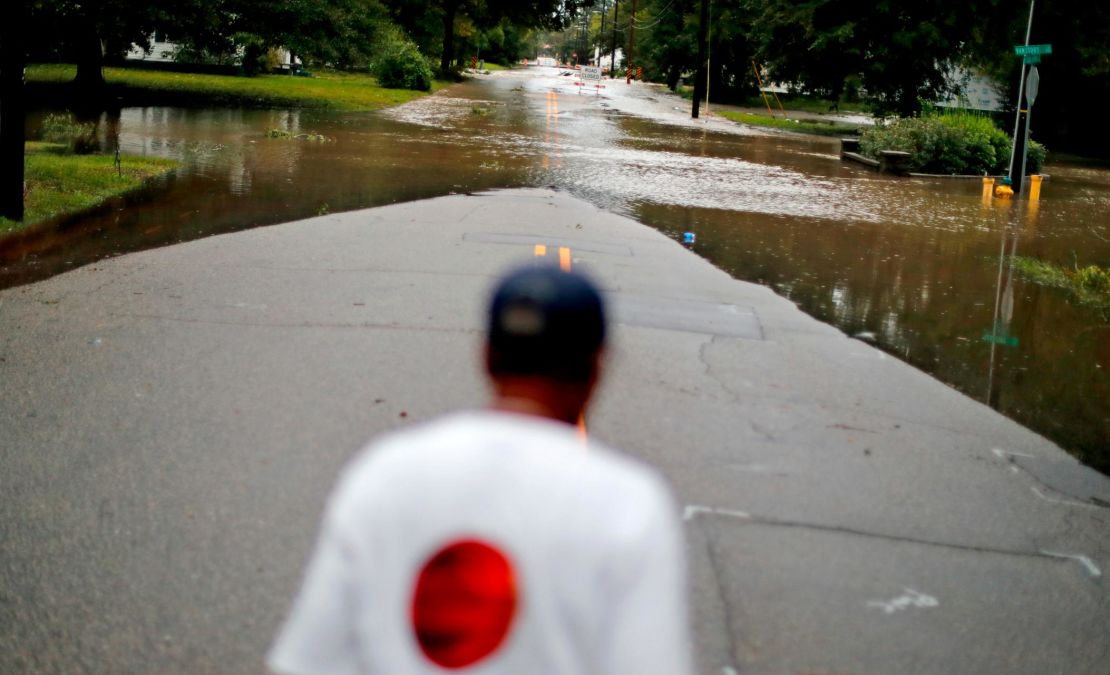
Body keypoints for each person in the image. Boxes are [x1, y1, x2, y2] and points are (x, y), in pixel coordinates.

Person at [268, 263, 692, 674]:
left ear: (486, 355)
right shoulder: (627, 503)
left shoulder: (386, 470)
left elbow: (309, 659)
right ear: (597, 367)